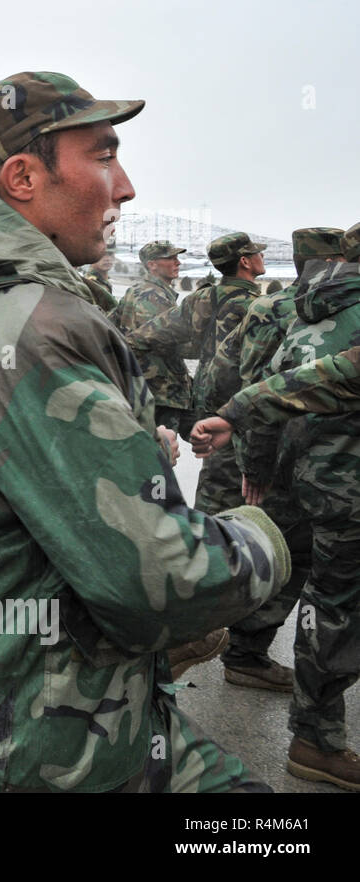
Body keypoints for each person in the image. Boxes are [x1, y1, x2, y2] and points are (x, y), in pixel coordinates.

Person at [0, 71, 289, 792]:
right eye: (103, 155)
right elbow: (158, 581)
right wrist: (267, 533)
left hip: (41, 712)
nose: (124, 186)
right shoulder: (25, 324)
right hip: (38, 746)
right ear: (23, 176)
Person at [212, 228, 346, 692]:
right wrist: (254, 465)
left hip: (288, 455)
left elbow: (230, 377)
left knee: (291, 555)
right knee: (295, 561)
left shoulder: (287, 305)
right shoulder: (284, 309)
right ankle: (234, 646)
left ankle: (239, 646)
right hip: (298, 459)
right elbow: (260, 384)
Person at [128, 232, 266, 512]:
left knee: (215, 478)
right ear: (245, 262)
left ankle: (209, 536)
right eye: (257, 253)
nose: (262, 256)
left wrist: (119, 347)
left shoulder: (202, 298)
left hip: (207, 399)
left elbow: (155, 333)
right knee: (248, 483)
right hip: (244, 401)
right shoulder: (261, 306)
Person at [111, 240, 192, 437]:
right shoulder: (153, 296)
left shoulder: (135, 291)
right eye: (170, 258)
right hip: (160, 391)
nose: (177, 262)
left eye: (177, 257)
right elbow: (163, 340)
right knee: (160, 456)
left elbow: (112, 324)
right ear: (152, 265)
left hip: (143, 387)